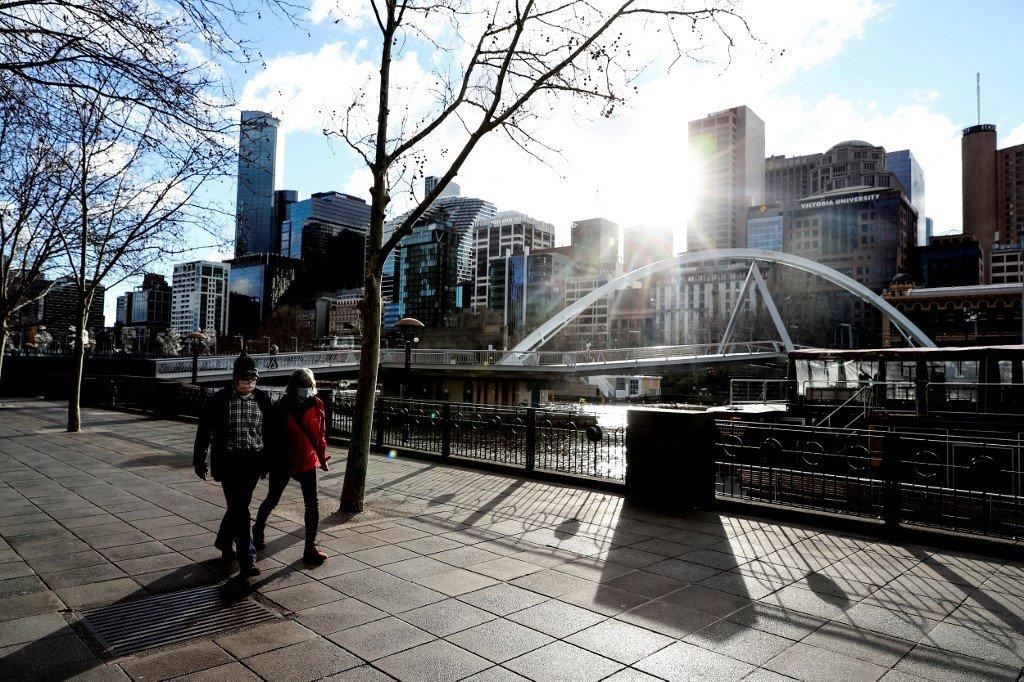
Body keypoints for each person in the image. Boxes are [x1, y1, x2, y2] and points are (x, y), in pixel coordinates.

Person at [193, 353, 273, 579]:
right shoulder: (219, 400)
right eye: (245, 378)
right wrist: (200, 460)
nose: (249, 382)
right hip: (228, 463)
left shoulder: (262, 400)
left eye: (253, 378)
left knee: (238, 507)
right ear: (235, 378)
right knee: (240, 509)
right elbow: (204, 432)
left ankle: (223, 540)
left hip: (252, 463)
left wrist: (268, 462)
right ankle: (247, 559)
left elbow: (270, 434)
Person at [253, 368, 329, 565]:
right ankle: (258, 528)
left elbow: (319, 434)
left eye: (310, 386)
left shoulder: (317, 404)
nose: (309, 390)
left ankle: (310, 547)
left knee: (312, 504)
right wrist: (266, 464)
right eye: (305, 386)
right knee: (273, 499)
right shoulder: (280, 408)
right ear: (294, 388)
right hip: (283, 461)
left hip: (307, 460)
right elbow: (269, 438)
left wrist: (322, 456)